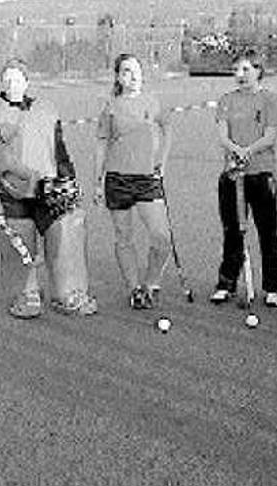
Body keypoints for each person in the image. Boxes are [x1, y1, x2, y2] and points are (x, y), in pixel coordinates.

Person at [0, 57, 97, 318]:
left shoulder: (46, 110)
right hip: (10, 191)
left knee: (65, 238)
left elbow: (59, 149)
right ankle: (24, 295)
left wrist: (67, 177)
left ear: (27, 81)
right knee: (18, 243)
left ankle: (68, 292)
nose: (12, 83)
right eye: (7, 79)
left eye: (17, 78)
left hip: (48, 187)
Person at [92, 53, 174, 309]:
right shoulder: (111, 107)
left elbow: (167, 129)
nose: (134, 75)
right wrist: (97, 180)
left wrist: (162, 161)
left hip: (148, 179)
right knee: (123, 238)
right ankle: (134, 288)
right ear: (119, 77)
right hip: (117, 179)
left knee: (162, 237)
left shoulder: (153, 101)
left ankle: (151, 283)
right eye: (127, 71)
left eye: (137, 69)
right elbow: (102, 143)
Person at [210, 50, 277, 307]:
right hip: (232, 174)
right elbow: (222, 135)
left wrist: (248, 151)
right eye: (236, 71)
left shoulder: (271, 100)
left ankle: (273, 286)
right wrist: (235, 151)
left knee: (268, 232)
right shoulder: (226, 100)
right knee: (233, 231)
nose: (239, 75)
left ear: (258, 70)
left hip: (261, 174)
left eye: (245, 70)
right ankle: (226, 283)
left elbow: (270, 136)